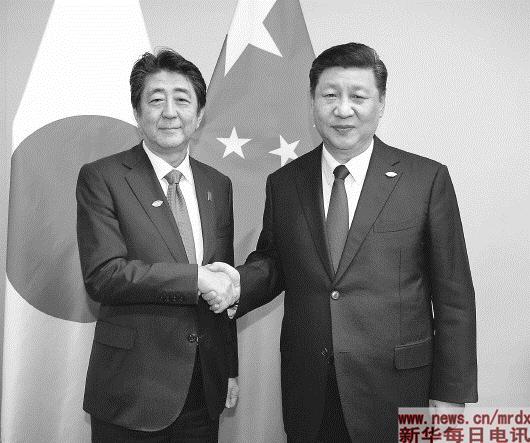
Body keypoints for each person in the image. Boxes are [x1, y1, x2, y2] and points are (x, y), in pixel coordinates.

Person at [206, 42, 477, 442]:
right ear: (313, 102)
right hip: (310, 387)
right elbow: (275, 263)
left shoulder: (426, 180)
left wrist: (451, 393)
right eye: (330, 95)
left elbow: (454, 295)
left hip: (398, 388)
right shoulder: (285, 183)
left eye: (358, 97)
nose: (343, 109)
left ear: (381, 104)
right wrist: (237, 284)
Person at [76, 48, 239, 442]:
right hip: (132, 390)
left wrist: (229, 369)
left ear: (199, 114)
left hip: (203, 387)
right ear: (137, 112)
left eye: (182, 99)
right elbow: (104, 276)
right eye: (155, 100)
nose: (169, 112)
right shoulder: (103, 177)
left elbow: (223, 282)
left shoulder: (218, 184)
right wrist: (195, 279)